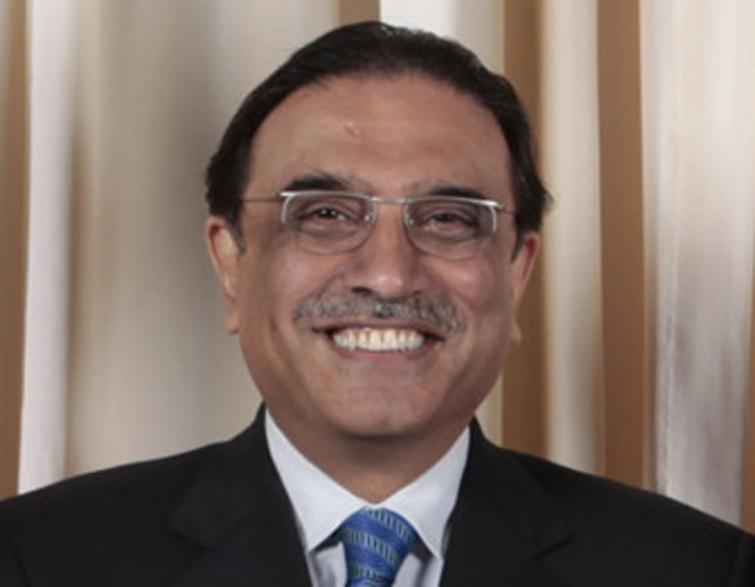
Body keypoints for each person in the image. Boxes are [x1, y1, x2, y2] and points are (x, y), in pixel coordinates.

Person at [0, 21, 752, 587]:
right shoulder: (38, 558)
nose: (389, 276)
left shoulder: (697, 569)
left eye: (449, 219)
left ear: (517, 272)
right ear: (231, 262)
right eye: (325, 214)